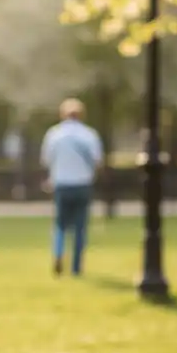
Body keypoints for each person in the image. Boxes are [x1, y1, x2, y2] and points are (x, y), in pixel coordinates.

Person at [40, 97, 103, 276]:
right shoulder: (89, 134)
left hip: (61, 184)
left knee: (60, 225)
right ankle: (76, 266)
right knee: (80, 227)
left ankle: (58, 254)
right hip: (82, 184)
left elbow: (46, 160)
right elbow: (97, 161)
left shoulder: (54, 134)